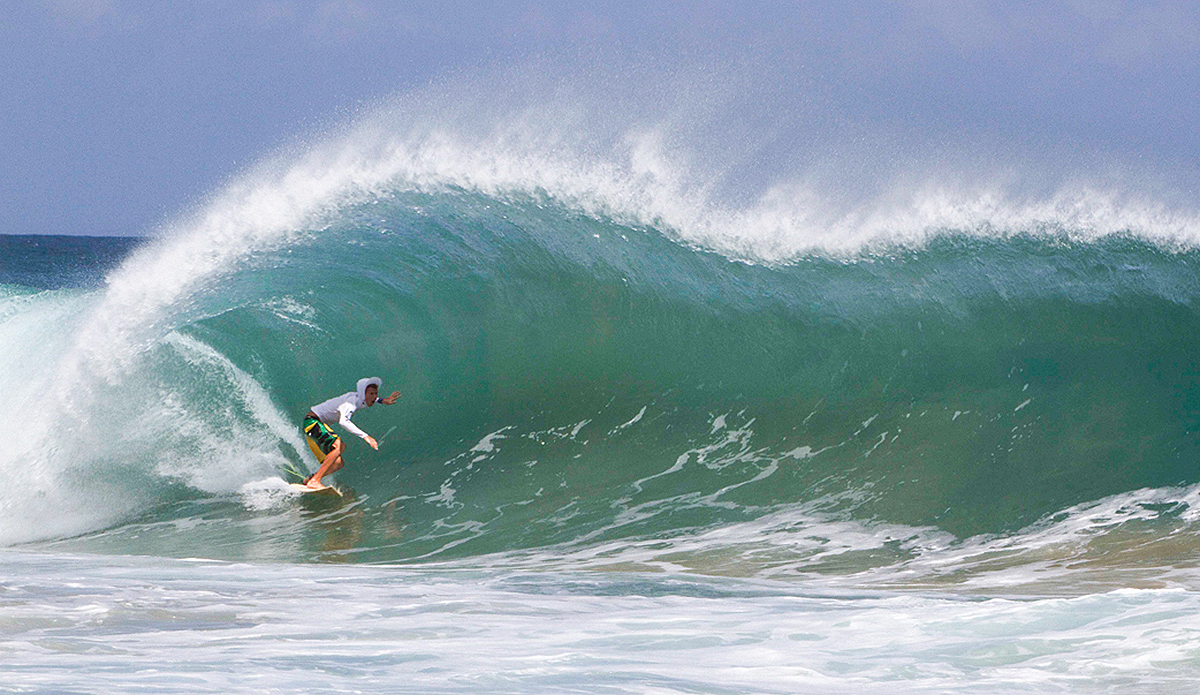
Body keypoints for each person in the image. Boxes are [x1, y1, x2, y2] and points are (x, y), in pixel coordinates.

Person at [302, 377, 400, 489]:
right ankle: (315, 480)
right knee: (337, 445)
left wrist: (382, 400)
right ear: (364, 394)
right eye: (371, 394)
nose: (374, 397)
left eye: (375, 393)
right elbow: (343, 422)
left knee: (338, 462)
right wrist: (366, 437)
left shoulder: (360, 398)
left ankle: (310, 479)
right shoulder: (350, 403)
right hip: (312, 421)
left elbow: (372, 398)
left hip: (317, 424)